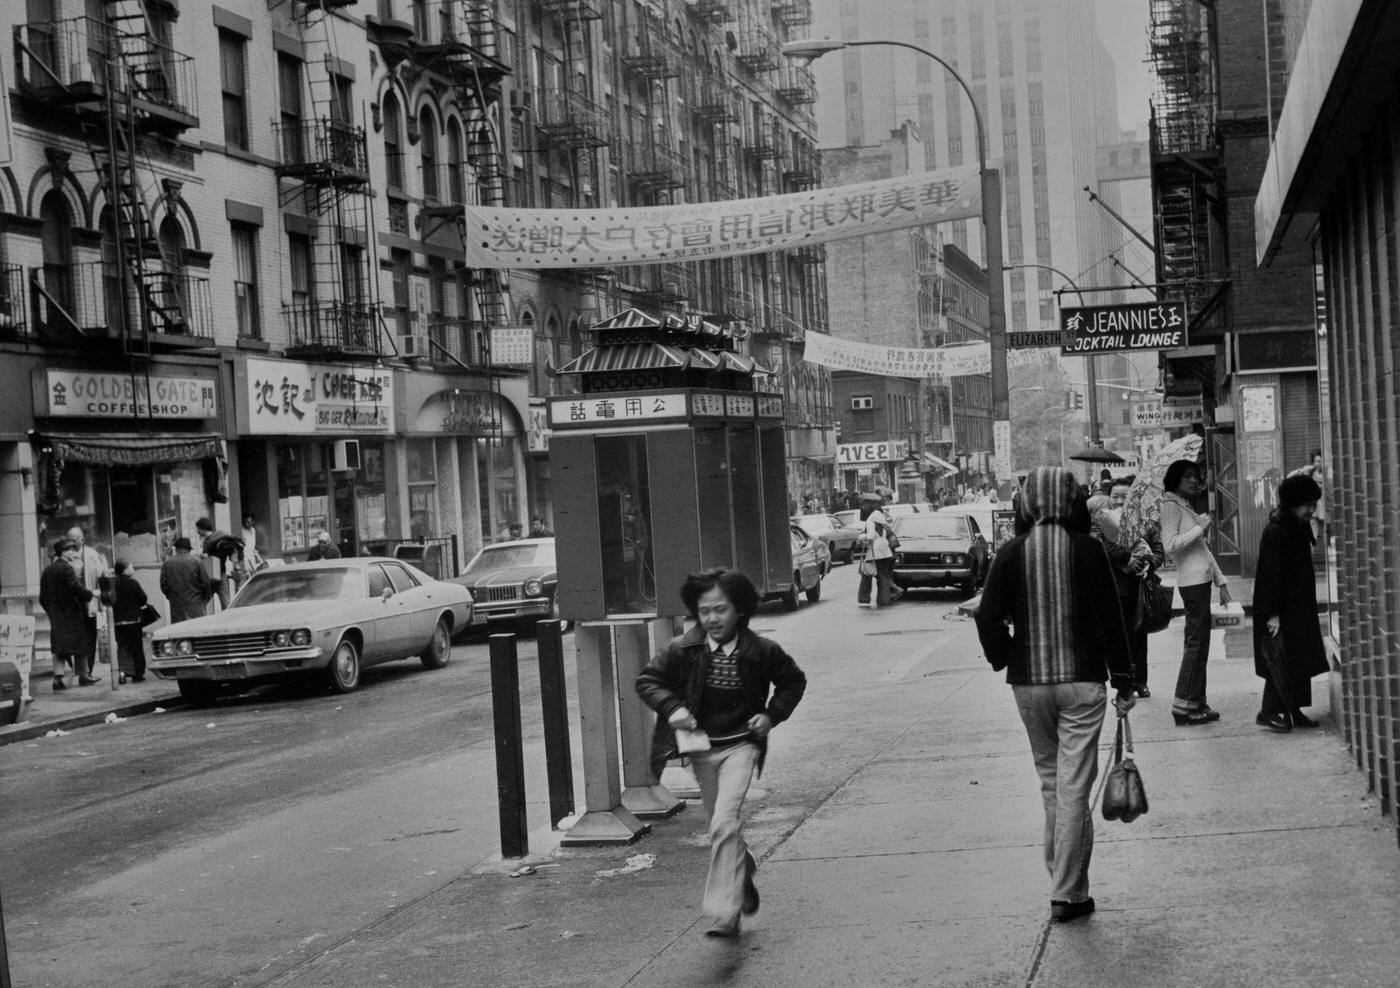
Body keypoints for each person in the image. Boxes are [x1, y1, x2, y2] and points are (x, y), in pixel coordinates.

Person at [975, 467, 1136, 922]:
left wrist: (1006, 656)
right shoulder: (1088, 550)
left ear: (1027, 504)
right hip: (1082, 684)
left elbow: (987, 618)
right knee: (1073, 787)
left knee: (1053, 782)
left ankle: (1062, 876)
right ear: (1072, 502)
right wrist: (1124, 678)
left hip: (1029, 684)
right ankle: (1067, 892)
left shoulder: (1011, 553)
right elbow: (1111, 619)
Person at [635, 568, 807, 938]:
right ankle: (741, 873)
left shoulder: (762, 651)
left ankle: (723, 910)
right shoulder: (683, 649)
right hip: (700, 750)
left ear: (740, 611)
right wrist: (673, 708)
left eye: (721, 610)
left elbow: (793, 682)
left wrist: (770, 716)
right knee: (720, 824)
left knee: (724, 822)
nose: (712, 618)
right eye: (705, 610)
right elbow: (648, 680)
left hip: (741, 747)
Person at [1253, 474, 1329, 732]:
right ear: (1293, 503)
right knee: (1282, 657)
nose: (1312, 510)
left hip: (1298, 606)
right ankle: (1269, 710)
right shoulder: (1277, 530)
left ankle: (1294, 709)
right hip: (1282, 608)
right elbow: (1269, 576)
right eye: (1307, 504)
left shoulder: (1297, 526)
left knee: (1299, 658)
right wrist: (1272, 614)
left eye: (1314, 504)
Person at [1159, 460, 1231, 726]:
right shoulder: (1170, 506)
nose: (1193, 481)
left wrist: (1221, 582)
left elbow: (1203, 551)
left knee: (1201, 645)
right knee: (1196, 644)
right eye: (1187, 476)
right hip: (1191, 583)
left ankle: (1196, 701)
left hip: (1201, 582)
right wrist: (1199, 528)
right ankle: (1183, 705)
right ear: (1175, 479)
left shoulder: (1184, 506)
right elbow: (1170, 546)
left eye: (1195, 476)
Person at [1091, 477, 1164, 698]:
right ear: (1108, 498)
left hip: (1138, 587)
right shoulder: (1100, 520)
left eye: (1125, 496)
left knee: (1139, 635)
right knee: (1116, 636)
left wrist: (1148, 563)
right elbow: (1096, 546)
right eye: (1116, 497)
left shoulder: (1145, 520)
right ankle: (1122, 681)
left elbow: (1158, 550)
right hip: (1111, 587)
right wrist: (1125, 559)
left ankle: (1140, 681)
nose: (1120, 501)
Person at [40, 538, 98, 689]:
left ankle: (57, 679)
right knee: (80, 646)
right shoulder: (67, 568)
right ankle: (84, 676)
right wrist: (89, 594)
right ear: (64, 553)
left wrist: (51, 611)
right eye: (71, 550)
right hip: (71, 614)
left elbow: (42, 597)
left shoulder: (47, 570)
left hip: (56, 616)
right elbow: (74, 587)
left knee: (59, 648)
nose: (74, 552)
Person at [66, 525, 107, 682]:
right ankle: (79, 671)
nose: (72, 543)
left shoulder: (91, 555)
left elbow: (101, 577)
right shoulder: (64, 556)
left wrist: (101, 603)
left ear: (82, 539)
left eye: (74, 539)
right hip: (72, 604)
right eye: (69, 539)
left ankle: (87, 672)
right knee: (74, 638)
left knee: (89, 637)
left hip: (88, 602)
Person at [856, 500, 899, 607]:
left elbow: (870, 537)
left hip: (875, 551)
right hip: (885, 550)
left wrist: (861, 537)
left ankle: (867, 598)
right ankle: (885, 597)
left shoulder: (870, 520)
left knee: (868, 573)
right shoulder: (881, 518)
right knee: (882, 574)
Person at [111, 559, 149, 684]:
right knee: (136, 647)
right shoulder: (133, 583)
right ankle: (137, 674)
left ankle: (122, 672)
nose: (133, 569)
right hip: (134, 621)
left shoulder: (113, 584)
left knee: (122, 647)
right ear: (125, 570)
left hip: (118, 622)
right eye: (131, 567)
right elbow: (143, 599)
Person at [196, 517, 244, 609]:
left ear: (203, 528)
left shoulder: (217, 539)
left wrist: (208, 556)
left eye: (198, 529)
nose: (197, 531)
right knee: (219, 602)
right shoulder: (208, 540)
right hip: (214, 575)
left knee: (208, 602)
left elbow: (223, 553)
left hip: (217, 575)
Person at [161, 537, 212, 623]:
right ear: (189, 550)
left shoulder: (167, 563)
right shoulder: (196, 561)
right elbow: (205, 582)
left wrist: (171, 597)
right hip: (195, 604)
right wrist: (205, 599)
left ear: (176, 549)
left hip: (176, 605)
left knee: (178, 631)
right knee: (196, 630)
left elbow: (163, 585)